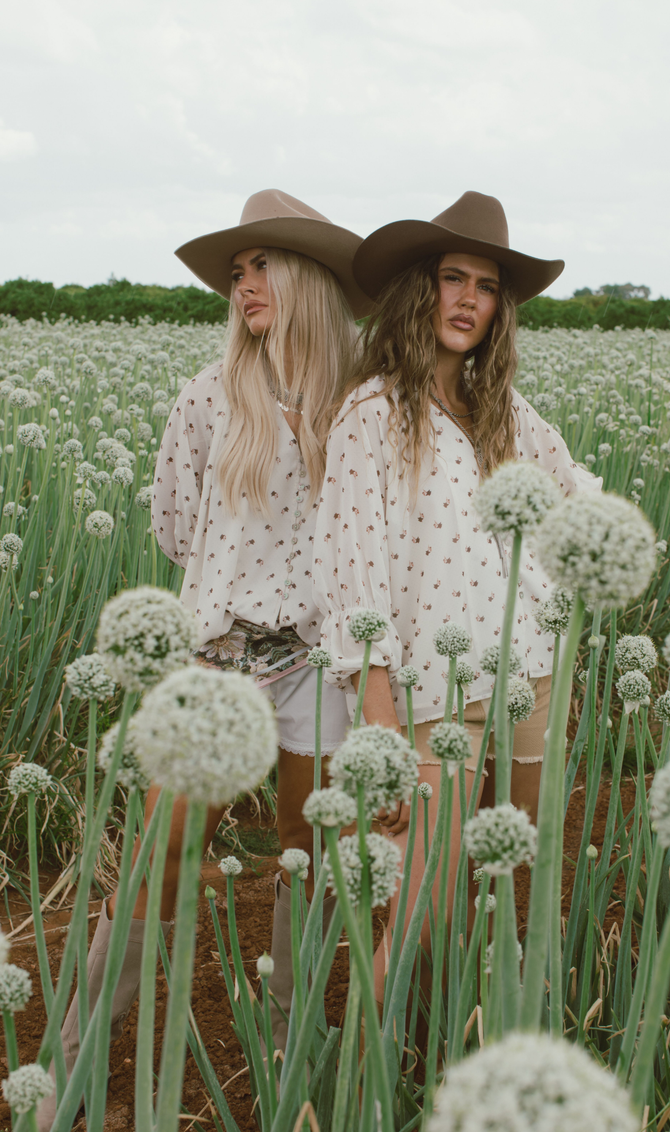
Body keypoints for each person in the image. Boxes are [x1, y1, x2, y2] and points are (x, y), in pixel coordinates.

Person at [38, 190, 371, 1131]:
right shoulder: (207, 393)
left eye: (261, 266)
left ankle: (284, 1050)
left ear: (304, 278)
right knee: (160, 854)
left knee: (306, 856)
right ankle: (74, 1060)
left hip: (324, 661)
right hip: (218, 659)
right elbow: (179, 530)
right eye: (236, 272)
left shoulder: (364, 401)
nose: (244, 285)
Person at [312, 191, 602, 1009]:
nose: (468, 298)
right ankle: (347, 1097)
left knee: (512, 885)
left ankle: (472, 1045)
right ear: (419, 289)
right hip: (431, 699)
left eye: (485, 285)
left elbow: (575, 494)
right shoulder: (368, 415)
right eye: (452, 277)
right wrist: (382, 736)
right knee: (419, 910)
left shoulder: (506, 413)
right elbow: (353, 583)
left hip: (532, 677)